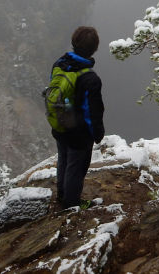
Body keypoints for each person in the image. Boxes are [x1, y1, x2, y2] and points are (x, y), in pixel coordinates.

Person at [51, 26, 105, 209]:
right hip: (79, 133)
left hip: (59, 123)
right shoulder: (91, 78)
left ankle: (62, 195)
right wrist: (97, 134)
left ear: (74, 43)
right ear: (94, 48)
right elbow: (92, 112)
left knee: (64, 159)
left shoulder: (59, 63)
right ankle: (71, 205)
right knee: (76, 167)